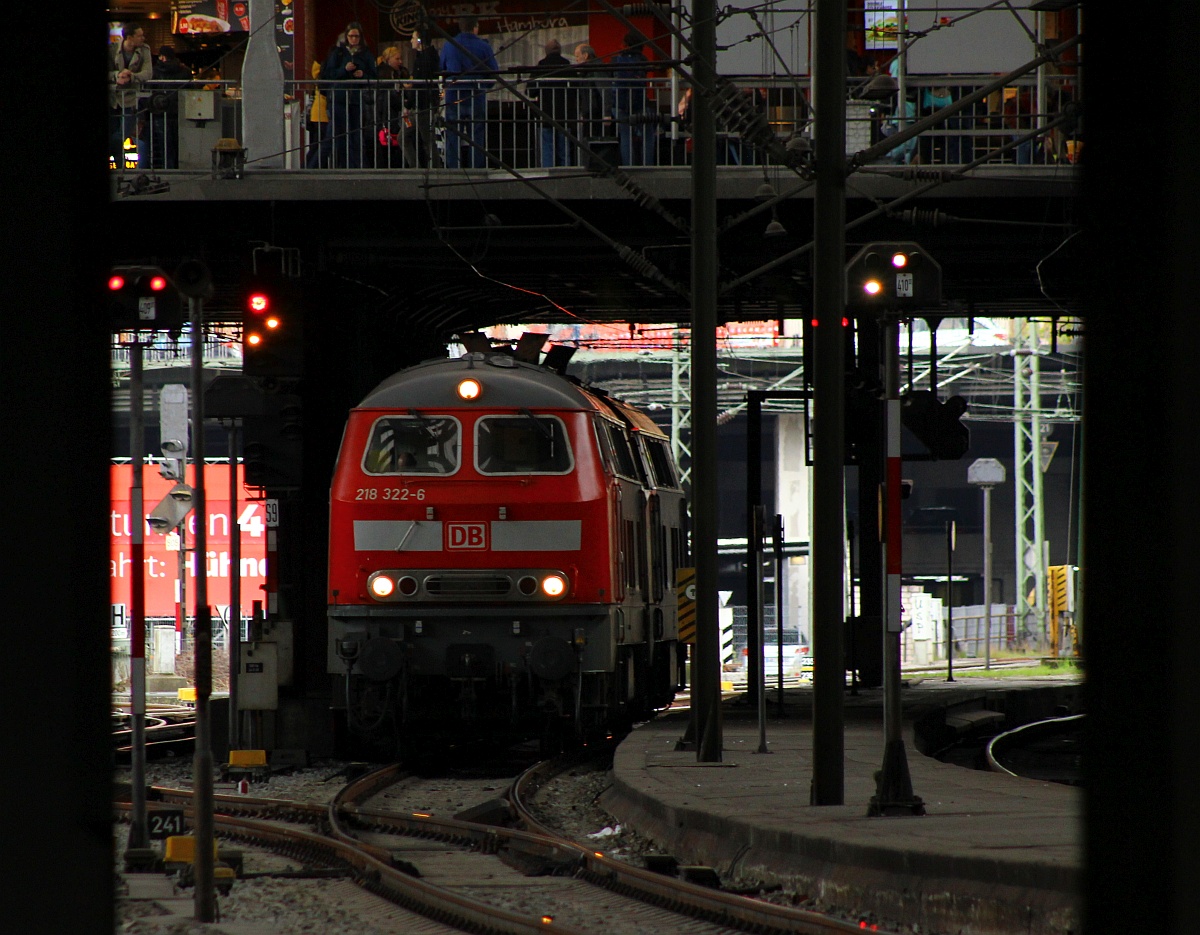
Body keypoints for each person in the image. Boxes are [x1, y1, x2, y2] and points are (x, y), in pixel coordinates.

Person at [439, 15, 499, 169]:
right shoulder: (483, 46)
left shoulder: (449, 45)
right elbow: (493, 71)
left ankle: (453, 169)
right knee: (476, 136)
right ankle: (476, 169)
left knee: (452, 136)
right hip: (476, 95)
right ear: (475, 27)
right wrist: (485, 87)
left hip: (454, 95)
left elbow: (442, 68)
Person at [321, 22, 377, 168]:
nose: (354, 39)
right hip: (339, 99)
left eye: (357, 36)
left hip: (356, 100)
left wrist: (363, 75)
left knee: (356, 136)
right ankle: (337, 165)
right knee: (336, 136)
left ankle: (357, 166)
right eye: (351, 36)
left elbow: (375, 75)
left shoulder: (365, 54)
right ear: (346, 37)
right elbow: (329, 75)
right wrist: (344, 70)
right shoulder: (338, 53)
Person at [109, 23, 153, 171]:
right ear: (129, 38)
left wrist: (131, 76)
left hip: (130, 100)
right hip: (112, 99)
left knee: (121, 135)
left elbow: (148, 73)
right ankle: (118, 169)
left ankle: (119, 169)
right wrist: (117, 76)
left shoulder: (145, 50)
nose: (143, 38)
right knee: (114, 134)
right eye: (139, 35)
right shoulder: (112, 49)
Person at [609, 32, 657, 166]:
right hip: (639, 101)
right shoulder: (643, 60)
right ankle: (648, 164)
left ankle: (628, 165)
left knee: (625, 136)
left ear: (626, 44)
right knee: (648, 134)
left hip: (620, 103)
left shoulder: (615, 60)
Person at [527, 39, 574, 168]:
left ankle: (547, 173)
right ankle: (566, 173)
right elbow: (576, 90)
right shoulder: (567, 65)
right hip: (565, 114)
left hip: (546, 112)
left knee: (547, 148)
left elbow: (531, 91)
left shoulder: (541, 65)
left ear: (546, 51)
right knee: (564, 150)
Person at [147, 45, 190, 169]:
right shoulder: (184, 71)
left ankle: (168, 169)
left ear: (162, 57)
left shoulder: (155, 72)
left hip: (161, 112)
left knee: (164, 146)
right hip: (180, 112)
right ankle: (179, 168)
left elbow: (151, 93)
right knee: (180, 144)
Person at [408, 29, 443, 167]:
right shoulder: (425, 56)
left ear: (419, 41)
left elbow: (419, 84)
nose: (411, 41)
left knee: (427, 139)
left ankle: (435, 168)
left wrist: (408, 103)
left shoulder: (425, 59)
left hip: (423, 104)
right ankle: (414, 166)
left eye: (413, 37)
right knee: (403, 136)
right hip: (420, 104)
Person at [374, 45, 411, 167]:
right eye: (397, 59)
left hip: (394, 112)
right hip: (388, 113)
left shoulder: (400, 72)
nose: (400, 62)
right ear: (388, 59)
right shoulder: (385, 74)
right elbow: (389, 96)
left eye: (401, 59)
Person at [571, 44, 606, 160]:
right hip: (590, 111)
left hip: (596, 112)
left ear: (585, 56)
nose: (576, 60)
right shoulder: (586, 72)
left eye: (577, 56)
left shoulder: (595, 70)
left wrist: (607, 113)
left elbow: (604, 91)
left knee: (595, 141)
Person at [305, 59, 331, 168]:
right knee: (320, 144)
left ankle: (308, 166)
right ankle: (309, 166)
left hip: (317, 114)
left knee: (316, 144)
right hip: (322, 114)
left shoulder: (318, 76)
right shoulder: (325, 78)